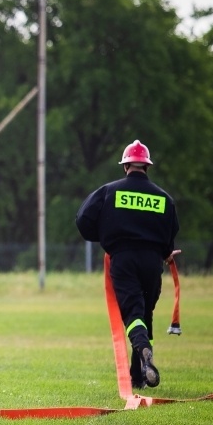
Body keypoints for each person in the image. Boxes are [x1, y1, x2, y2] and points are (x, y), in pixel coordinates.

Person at [76, 140, 180, 390]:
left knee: (133, 314)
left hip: (123, 259)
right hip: (152, 263)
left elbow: (83, 219)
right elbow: (170, 232)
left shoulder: (109, 192)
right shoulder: (164, 198)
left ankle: (144, 349)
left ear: (125, 167)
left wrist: (107, 237)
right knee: (145, 314)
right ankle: (138, 376)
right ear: (147, 167)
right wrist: (165, 252)